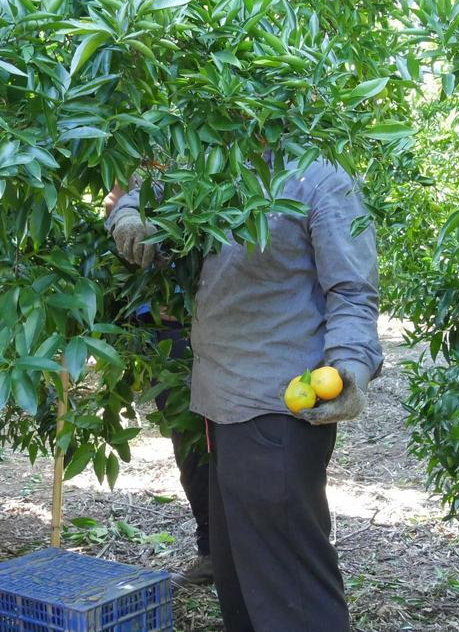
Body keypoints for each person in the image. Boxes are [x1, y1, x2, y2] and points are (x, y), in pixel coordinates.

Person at [107, 159, 382, 631]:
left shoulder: (319, 180)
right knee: (240, 582)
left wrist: (351, 366)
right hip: (220, 403)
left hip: (280, 411)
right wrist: (130, 214)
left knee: (292, 593)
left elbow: (353, 293)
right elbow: (147, 189)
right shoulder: (207, 159)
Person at [103, 184, 213, 586]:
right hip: (160, 329)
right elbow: (119, 207)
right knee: (191, 446)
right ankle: (213, 551)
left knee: (224, 445)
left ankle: (236, 551)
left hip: (203, 323)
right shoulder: (141, 169)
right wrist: (120, 213)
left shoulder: (200, 168)